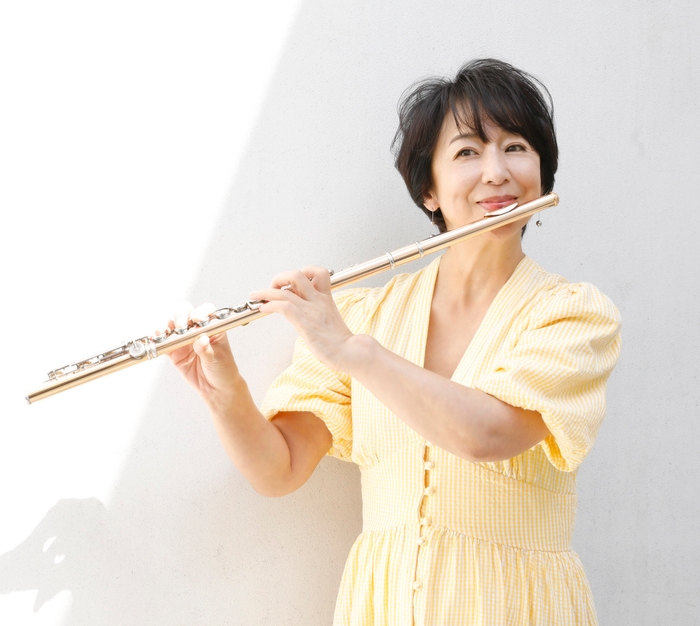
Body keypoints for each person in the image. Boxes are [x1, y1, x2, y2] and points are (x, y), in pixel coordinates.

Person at [169, 59, 621, 625]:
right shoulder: (363, 314)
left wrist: (352, 350)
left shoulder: (573, 315)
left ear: (542, 171)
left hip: (516, 606)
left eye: (515, 147)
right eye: (467, 152)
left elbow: (487, 434)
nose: (496, 172)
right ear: (429, 190)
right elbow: (278, 469)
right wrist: (223, 389)